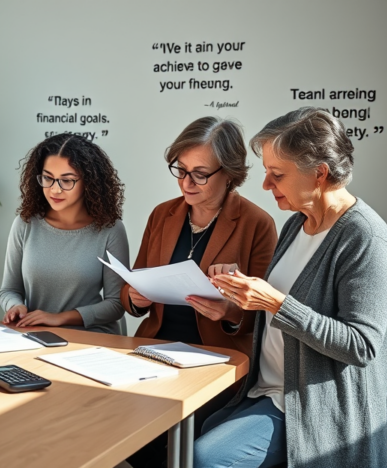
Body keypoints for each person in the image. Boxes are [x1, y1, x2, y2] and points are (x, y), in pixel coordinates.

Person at [196, 107, 387, 468]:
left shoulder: (365, 237)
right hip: (265, 390)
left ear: (319, 174)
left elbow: (361, 345)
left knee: (205, 457)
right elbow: (283, 308)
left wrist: (276, 303)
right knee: (180, 436)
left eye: (277, 174)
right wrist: (239, 294)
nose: (265, 185)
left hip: (310, 409)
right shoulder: (297, 224)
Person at [123, 117, 277, 468]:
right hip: (154, 351)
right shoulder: (162, 214)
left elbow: (267, 312)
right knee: (119, 423)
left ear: (230, 174)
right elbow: (130, 286)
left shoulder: (257, 223)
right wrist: (134, 298)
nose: (186, 182)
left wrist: (230, 311)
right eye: (180, 169)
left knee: (170, 439)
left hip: (217, 361)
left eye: (200, 173)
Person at [0, 133, 130, 334]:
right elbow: (9, 290)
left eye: (66, 181)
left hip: (92, 336)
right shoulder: (25, 224)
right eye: (48, 178)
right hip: (36, 334)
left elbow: (115, 304)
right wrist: (14, 306)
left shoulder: (110, 229)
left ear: (88, 182)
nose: (55, 190)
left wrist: (59, 319)